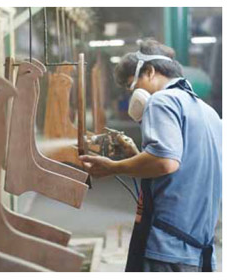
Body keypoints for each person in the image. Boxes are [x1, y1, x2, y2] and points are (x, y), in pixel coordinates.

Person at [79, 39, 222, 272]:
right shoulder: (207, 112)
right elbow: (183, 169)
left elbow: (165, 163)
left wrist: (113, 167)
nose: (133, 93)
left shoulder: (162, 100)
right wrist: (138, 156)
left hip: (167, 246)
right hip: (198, 249)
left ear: (150, 71)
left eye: (131, 85)